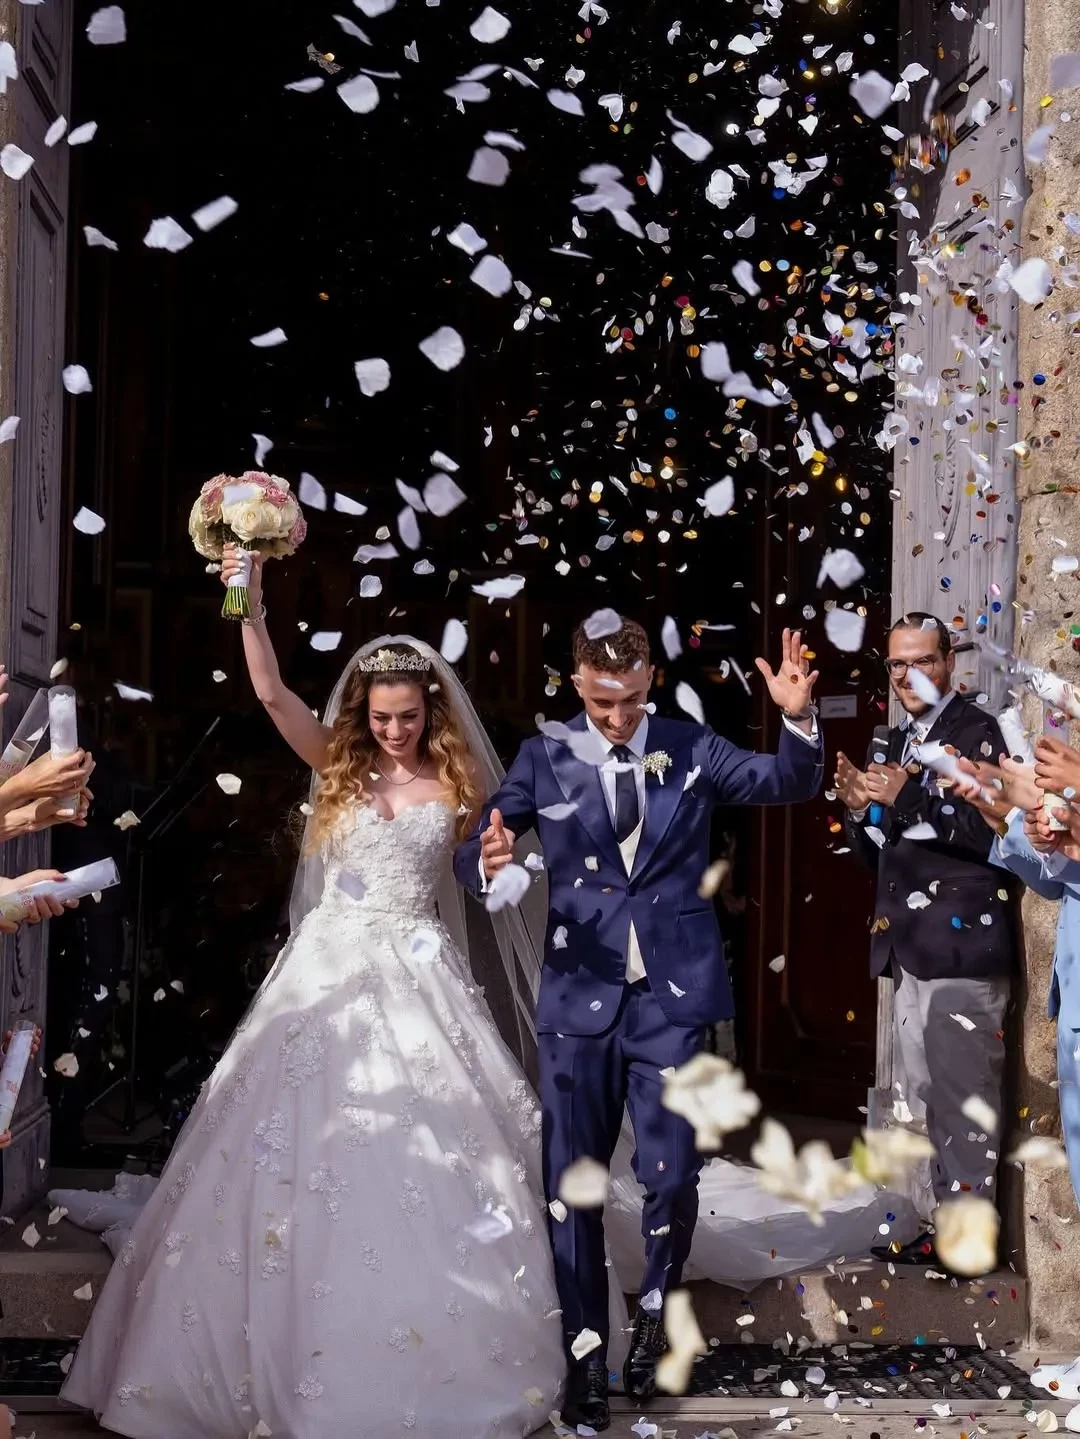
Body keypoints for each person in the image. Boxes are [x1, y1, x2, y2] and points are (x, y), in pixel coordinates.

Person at [61, 546, 566, 1439]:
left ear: (431, 710)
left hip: (417, 967)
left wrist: (497, 858)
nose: (395, 731)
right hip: (324, 974)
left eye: (408, 716)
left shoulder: (459, 782)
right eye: (382, 716)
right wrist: (247, 598)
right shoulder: (338, 760)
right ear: (363, 713)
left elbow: (486, 871)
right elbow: (271, 695)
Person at [454, 615, 823, 1431]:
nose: (616, 717)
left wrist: (799, 719)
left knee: (674, 1173)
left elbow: (785, 781)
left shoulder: (692, 746)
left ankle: (654, 1315)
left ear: (650, 678)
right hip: (576, 1005)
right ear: (577, 685)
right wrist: (483, 860)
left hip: (671, 1001)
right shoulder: (543, 755)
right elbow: (479, 842)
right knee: (571, 1186)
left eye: (627, 700)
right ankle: (587, 1361)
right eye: (600, 702)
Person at [833, 613, 1017, 1270]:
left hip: (961, 949)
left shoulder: (979, 733)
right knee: (927, 1099)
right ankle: (941, 1227)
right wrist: (859, 809)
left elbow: (992, 832)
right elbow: (879, 854)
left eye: (922, 661)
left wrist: (907, 796)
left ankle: (969, 1244)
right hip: (908, 948)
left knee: (963, 1100)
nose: (908, 676)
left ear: (949, 663)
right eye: (897, 664)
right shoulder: (890, 739)